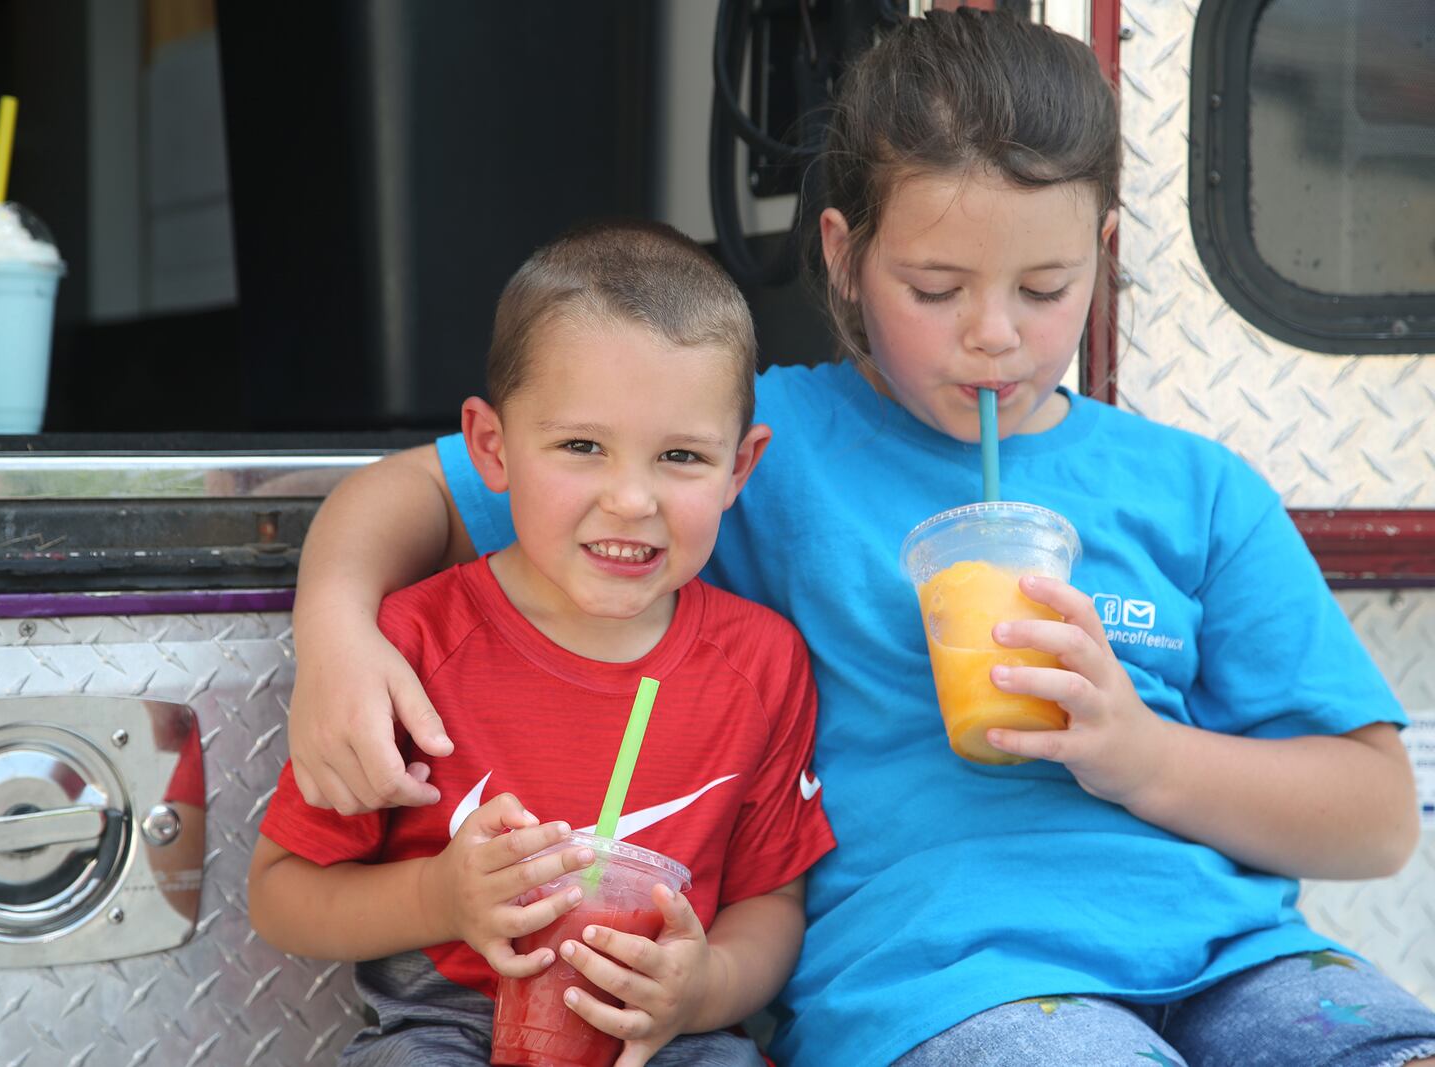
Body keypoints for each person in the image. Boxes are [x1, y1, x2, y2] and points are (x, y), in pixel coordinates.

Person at [279, 10, 1435, 1067]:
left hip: (1244, 962)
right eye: (934, 287)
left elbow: (1376, 818)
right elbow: (410, 494)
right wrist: (334, 633)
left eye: (1045, 285)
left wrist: (1132, 747)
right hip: (945, 985)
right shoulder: (754, 448)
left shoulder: (1197, 489)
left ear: (1103, 245)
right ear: (840, 253)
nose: (994, 336)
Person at [248, 219, 836, 1067]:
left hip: (662, 1039)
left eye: (680, 455)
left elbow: (770, 904)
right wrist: (441, 896)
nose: (632, 498)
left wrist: (700, 988)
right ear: (493, 446)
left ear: (741, 468)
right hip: (449, 1031)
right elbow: (279, 896)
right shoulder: (412, 643)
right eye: (581, 447)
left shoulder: (763, 665)